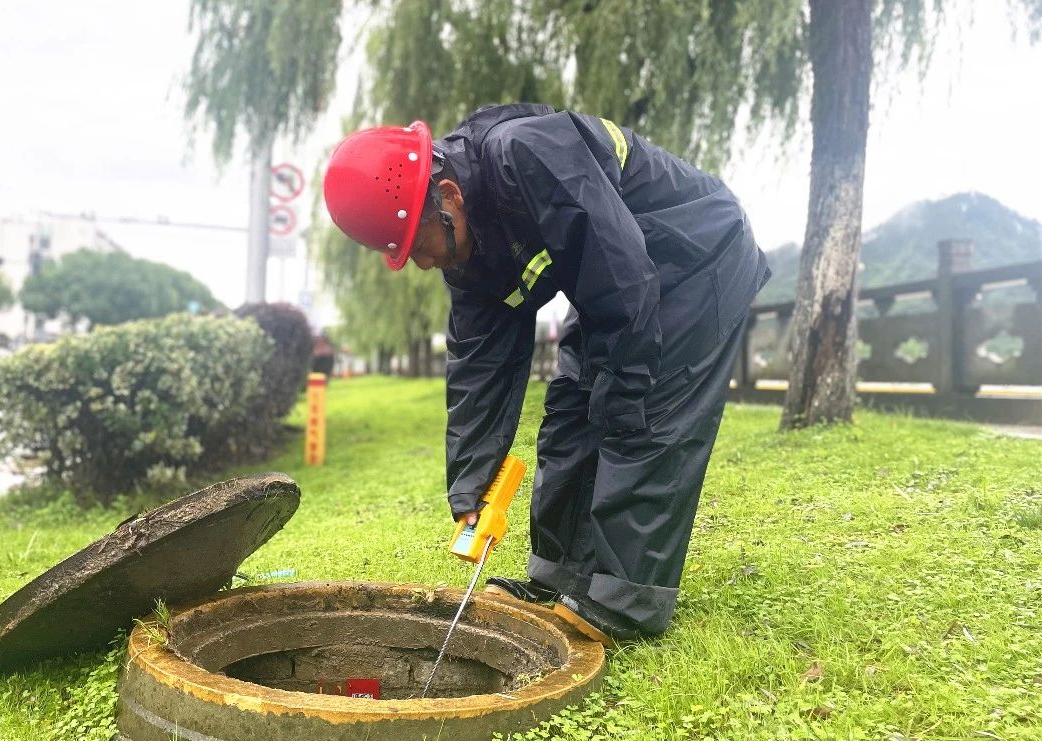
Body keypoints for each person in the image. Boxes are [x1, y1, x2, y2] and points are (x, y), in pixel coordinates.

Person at [322, 103, 769, 646]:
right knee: (570, 409)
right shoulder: (466, 249)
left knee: (642, 411)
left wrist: (625, 392)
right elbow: (479, 365)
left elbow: (624, 280)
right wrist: (470, 484)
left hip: (697, 256)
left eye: (418, 246)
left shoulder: (526, 153)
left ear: (448, 197)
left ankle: (627, 595)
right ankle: (558, 576)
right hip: (620, 275)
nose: (420, 264)